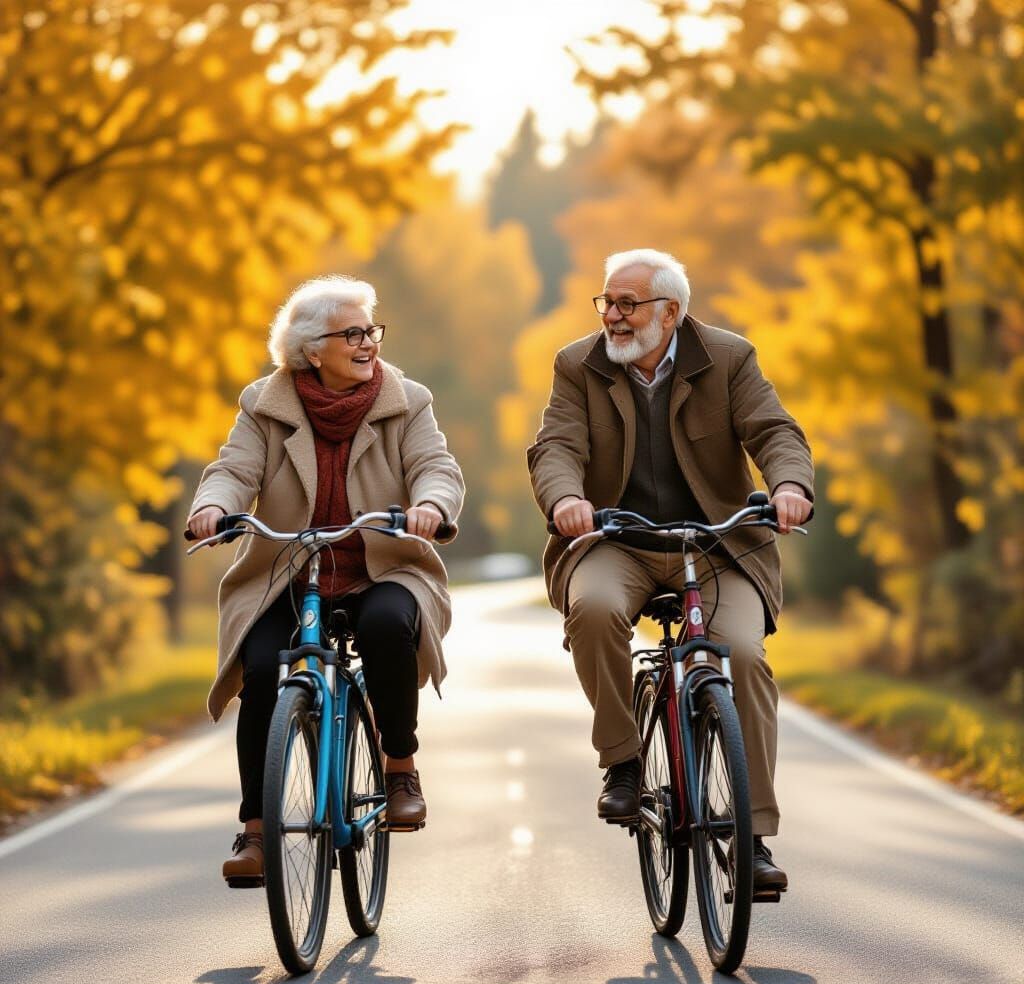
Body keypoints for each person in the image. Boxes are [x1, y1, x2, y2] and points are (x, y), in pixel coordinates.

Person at [527, 249, 813, 892]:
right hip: (616, 540)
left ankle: (753, 838)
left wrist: (790, 486)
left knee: (743, 654)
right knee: (594, 609)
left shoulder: (729, 357)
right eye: (607, 302)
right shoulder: (578, 363)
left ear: (670, 312)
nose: (612, 315)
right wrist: (567, 499)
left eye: (627, 303)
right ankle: (623, 761)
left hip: (717, 545)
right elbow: (558, 444)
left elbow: (775, 431)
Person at [186, 275, 464, 887]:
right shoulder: (264, 403)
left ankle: (399, 768)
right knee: (263, 669)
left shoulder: (407, 400)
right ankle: (255, 832)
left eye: (371, 331)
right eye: (353, 334)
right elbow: (234, 468)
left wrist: (431, 505)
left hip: (382, 567)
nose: (369, 343)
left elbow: (435, 465)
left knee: (388, 625)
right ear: (313, 351)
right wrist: (213, 505)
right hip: (289, 571)